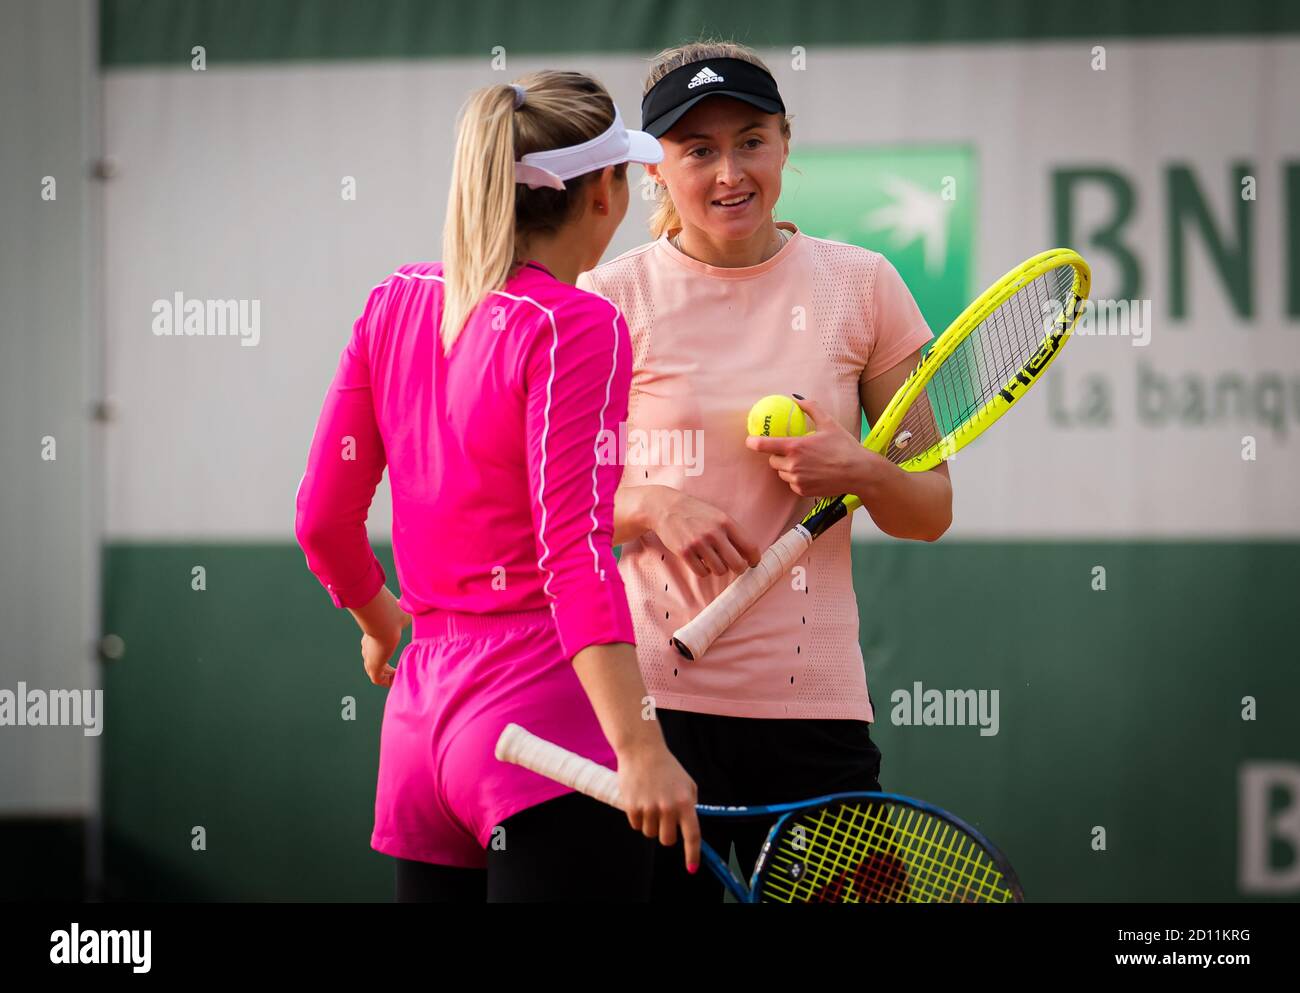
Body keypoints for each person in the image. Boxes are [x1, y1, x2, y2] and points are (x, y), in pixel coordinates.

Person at [294, 70, 699, 902]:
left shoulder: (394, 300)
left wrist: (380, 622)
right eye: (625, 172)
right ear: (602, 194)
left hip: (419, 737)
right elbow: (574, 552)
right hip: (546, 732)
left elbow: (321, 519)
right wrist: (641, 746)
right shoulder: (579, 324)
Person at [577, 41, 953, 902]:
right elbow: (544, 512)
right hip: (649, 713)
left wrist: (859, 467)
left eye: (750, 140)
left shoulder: (865, 286)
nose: (728, 172)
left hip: (815, 713)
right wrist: (645, 505)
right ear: (656, 169)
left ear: (786, 141)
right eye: (697, 150)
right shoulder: (606, 299)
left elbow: (928, 508)